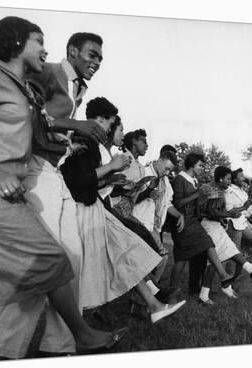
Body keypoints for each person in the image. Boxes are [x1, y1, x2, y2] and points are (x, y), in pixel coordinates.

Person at [0, 17, 125, 363]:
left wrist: (64, 145)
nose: (45, 49)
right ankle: (78, 337)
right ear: (15, 43)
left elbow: (33, 124)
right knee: (52, 260)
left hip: (8, 185)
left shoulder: (17, 84)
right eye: (38, 41)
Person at [0, 31, 111, 359]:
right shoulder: (48, 71)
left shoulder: (76, 85)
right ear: (72, 51)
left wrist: (69, 141)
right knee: (42, 260)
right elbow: (28, 113)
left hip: (54, 173)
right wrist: (75, 125)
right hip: (34, 171)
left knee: (73, 257)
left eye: (100, 57)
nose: (97, 61)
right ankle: (2, 348)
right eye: (92, 54)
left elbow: (52, 124)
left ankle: (60, 345)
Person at [60, 96, 186, 322]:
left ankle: (153, 303)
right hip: (85, 212)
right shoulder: (84, 142)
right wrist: (111, 169)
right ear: (100, 119)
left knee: (124, 256)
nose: (111, 130)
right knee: (98, 267)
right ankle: (82, 326)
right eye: (111, 125)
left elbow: (86, 181)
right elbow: (77, 181)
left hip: (95, 210)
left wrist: (110, 179)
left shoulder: (89, 144)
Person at [169, 153, 235, 293]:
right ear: (192, 165)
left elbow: (198, 204)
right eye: (200, 165)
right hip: (184, 221)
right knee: (207, 243)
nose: (202, 168)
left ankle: (172, 292)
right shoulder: (180, 179)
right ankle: (223, 275)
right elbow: (177, 202)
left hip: (193, 220)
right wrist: (198, 194)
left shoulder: (194, 180)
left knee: (181, 260)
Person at [196, 166, 252, 304]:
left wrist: (228, 215)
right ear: (220, 178)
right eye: (227, 179)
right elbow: (211, 212)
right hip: (208, 225)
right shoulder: (213, 190)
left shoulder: (218, 189)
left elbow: (216, 211)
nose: (229, 181)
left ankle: (204, 295)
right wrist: (228, 214)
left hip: (215, 224)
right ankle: (249, 269)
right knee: (223, 253)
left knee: (226, 252)